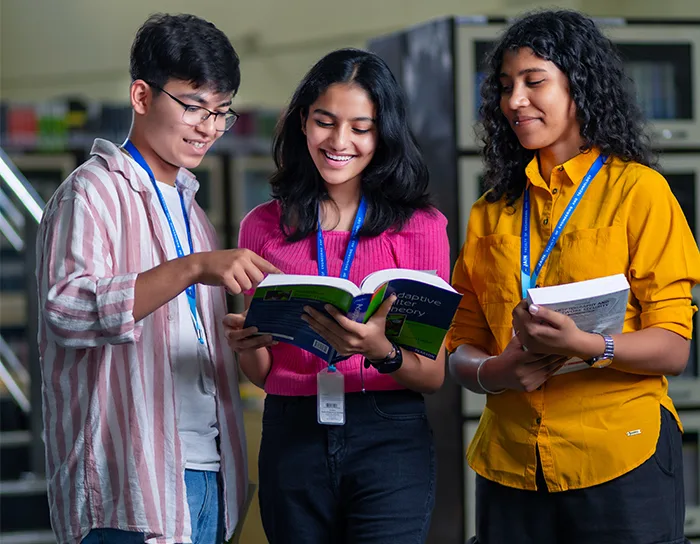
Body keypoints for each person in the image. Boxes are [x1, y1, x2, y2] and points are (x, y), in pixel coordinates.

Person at [447, 10, 700, 544]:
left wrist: (587, 344)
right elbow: (460, 346)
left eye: (534, 82)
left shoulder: (640, 192)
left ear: (579, 86)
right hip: (510, 464)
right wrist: (498, 372)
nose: (515, 100)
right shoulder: (488, 213)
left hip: (620, 455)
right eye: (505, 86)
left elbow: (674, 349)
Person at [36, 13, 279, 544]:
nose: (209, 127)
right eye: (194, 107)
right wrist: (194, 267)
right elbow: (68, 312)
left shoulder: (193, 210)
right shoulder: (91, 193)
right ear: (142, 97)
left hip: (209, 470)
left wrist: (245, 335)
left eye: (221, 112)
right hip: (127, 489)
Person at [223, 48, 449, 543]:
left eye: (361, 128)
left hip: (388, 434)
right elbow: (265, 375)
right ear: (303, 121)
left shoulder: (420, 228)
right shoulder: (262, 226)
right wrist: (249, 346)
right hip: (292, 432)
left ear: (383, 133)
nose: (339, 141)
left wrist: (380, 351)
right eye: (325, 121)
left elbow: (432, 374)